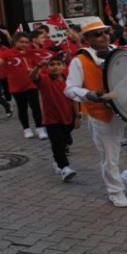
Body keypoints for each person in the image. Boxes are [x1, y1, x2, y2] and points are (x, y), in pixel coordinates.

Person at [64, 17, 127, 208]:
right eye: (97, 34)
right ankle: (115, 191)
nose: (104, 36)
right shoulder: (80, 60)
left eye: (106, 32)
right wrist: (89, 94)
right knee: (111, 158)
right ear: (87, 39)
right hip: (103, 115)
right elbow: (70, 89)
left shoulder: (119, 52)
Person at [31, 55, 79, 183]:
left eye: (58, 64)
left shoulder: (68, 81)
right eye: (52, 65)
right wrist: (38, 66)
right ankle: (64, 167)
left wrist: (77, 115)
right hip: (52, 119)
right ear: (47, 68)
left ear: (64, 67)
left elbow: (74, 98)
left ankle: (58, 161)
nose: (56, 67)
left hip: (68, 117)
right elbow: (33, 77)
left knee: (66, 140)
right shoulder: (44, 80)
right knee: (57, 143)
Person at [0, 32, 47, 140]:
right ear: (15, 42)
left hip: (31, 84)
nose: (24, 44)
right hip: (16, 86)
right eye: (21, 42)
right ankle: (26, 129)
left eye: (26, 42)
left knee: (35, 107)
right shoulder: (7, 53)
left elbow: (39, 66)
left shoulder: (31, 53)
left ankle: (40, 128)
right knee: (22, 108)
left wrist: (36, 70)